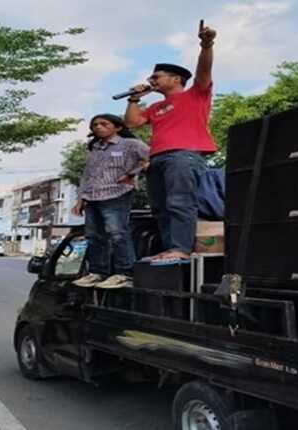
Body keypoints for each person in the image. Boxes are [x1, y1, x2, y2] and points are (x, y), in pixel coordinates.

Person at [124, 21, 217, 262]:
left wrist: (206, 45)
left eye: (156, 76)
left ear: (175, 79)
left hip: (183, 156)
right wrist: (133, 99)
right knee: (160, 208)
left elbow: (204, 72)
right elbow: (133, 122)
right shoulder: (155, 106)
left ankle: (181, 249)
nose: (151, 80)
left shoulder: (195, 94)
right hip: (156, 160)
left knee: (180, 202)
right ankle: (170, 250)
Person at [72, 114, 149, 289]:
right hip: (92, 197)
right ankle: (97, 272)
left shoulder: (130, 144)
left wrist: (132, 173)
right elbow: (87, 175)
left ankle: (125, 273)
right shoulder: (95, 148)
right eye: (95, 125)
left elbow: (151, 158)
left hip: (117, 194)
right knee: (93, 236)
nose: (98, 127)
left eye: (103, 124)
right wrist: (81, 198)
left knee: (117, 233)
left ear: (117, 127)